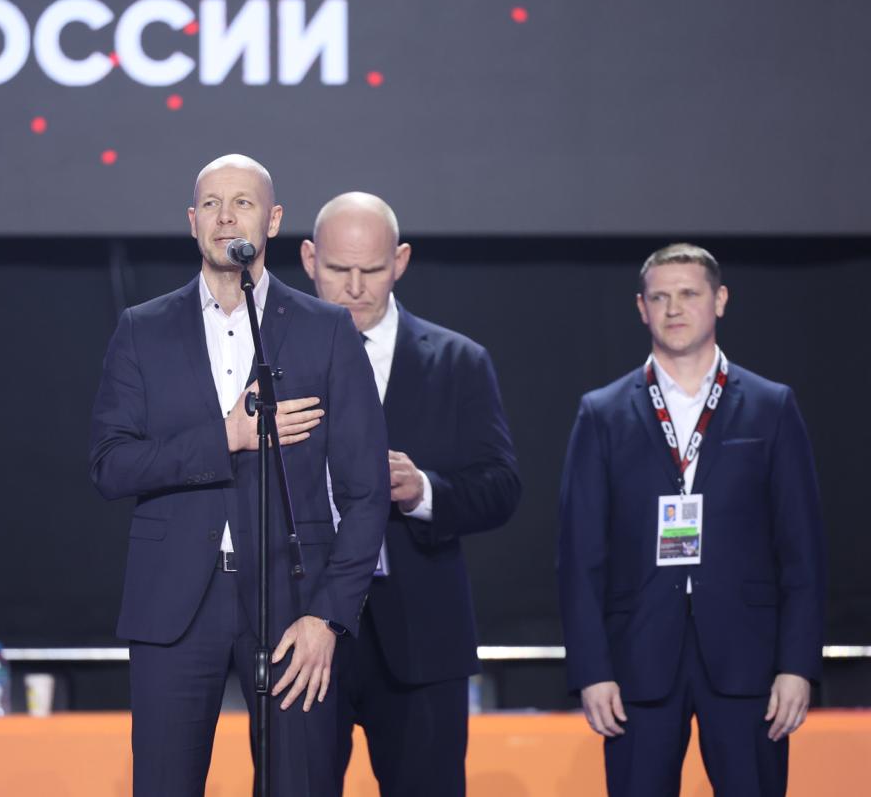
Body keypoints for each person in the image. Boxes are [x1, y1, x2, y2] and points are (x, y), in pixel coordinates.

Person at [89, 155, 390, 796]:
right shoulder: (143, 329)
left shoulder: (325, 330)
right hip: (173, 605)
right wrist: (224, 437)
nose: (226, 216)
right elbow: (110, 465)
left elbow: (366, 493)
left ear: (273, 220)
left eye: (243, 203)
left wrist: (329, 617)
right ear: (192, 220)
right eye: (212, 204)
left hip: (293, 603)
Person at [558, 244, 825, 796]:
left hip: (749, 658)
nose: (674, 308)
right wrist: (592, 669)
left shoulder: (771, 406)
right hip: (636, 660)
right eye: (659, 297)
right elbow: (579, 555)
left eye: (688, 294)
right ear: (641, 308)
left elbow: (802, 550)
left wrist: (797, 665)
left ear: (720, 300)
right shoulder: (602, 413)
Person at [300, 193, 521, 796]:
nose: (354, 287)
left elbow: (502, 487)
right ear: (309, 259)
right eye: (338, 269)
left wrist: (423, 489)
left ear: (399, 262)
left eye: (371, 270)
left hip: (423, 637)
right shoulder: (272, 361)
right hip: (305, 626)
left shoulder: (457, 361)